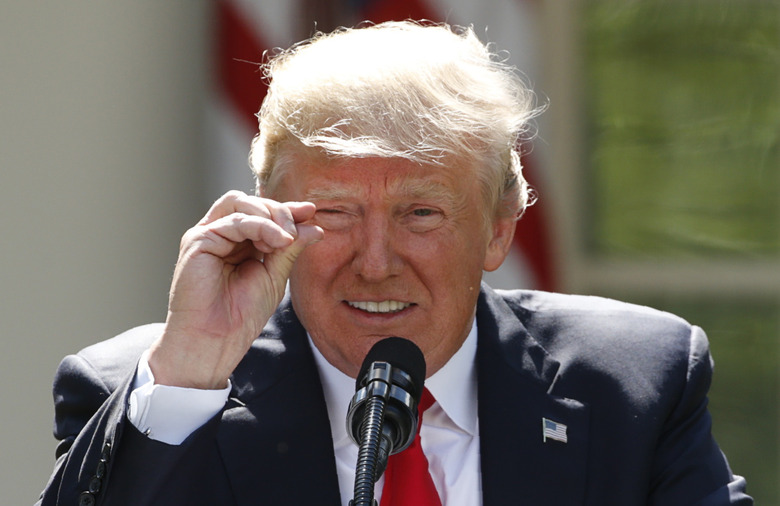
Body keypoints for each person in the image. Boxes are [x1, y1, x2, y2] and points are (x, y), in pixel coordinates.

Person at [37, 20, 752, 505]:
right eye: (335, 213)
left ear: (498, 230)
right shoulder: (147, 393)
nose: (374, 264)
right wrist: (189, 371)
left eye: (420, 214)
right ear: (271, 223)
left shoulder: (633, 383)